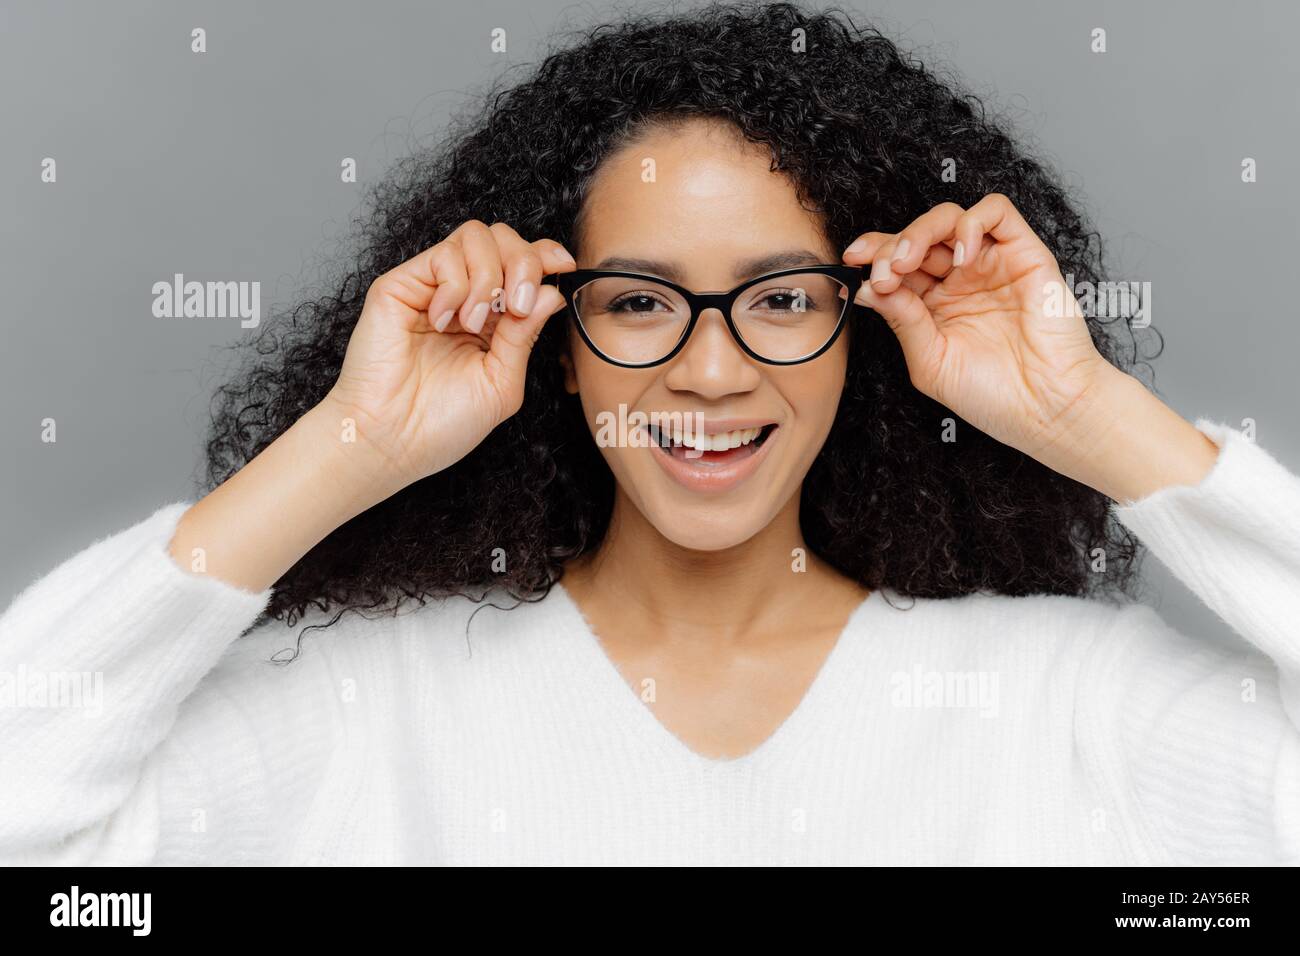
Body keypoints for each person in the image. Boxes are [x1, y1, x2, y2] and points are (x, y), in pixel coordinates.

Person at [2, 2, 1297, 865]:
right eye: (638, 302)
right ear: (555, 345)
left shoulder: (1067, 704)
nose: (714, 368)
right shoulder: (364, 702)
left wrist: (1093, 418)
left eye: (784, 299)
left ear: (867, 332)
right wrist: (351, 443)